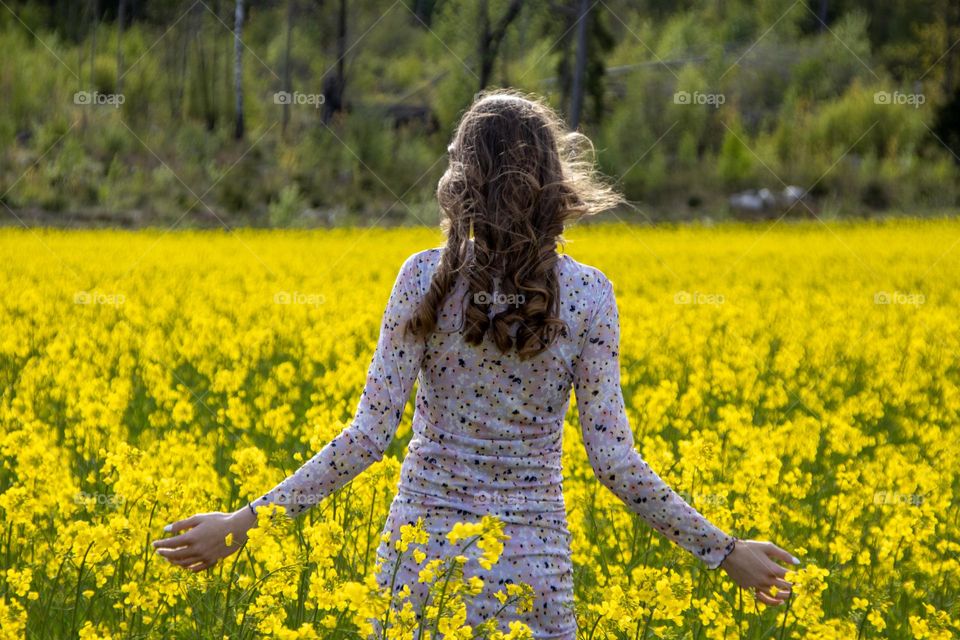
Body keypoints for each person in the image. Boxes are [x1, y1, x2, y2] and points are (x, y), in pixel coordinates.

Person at [153, 89, 800, 638]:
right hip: (533, 574)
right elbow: (614, 462)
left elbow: (367, 437)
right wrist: (724, 551)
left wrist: (244, 522)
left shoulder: (420, 279)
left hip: (420, 570)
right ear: (552, 181)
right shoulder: (588, 294)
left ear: (460, 180)